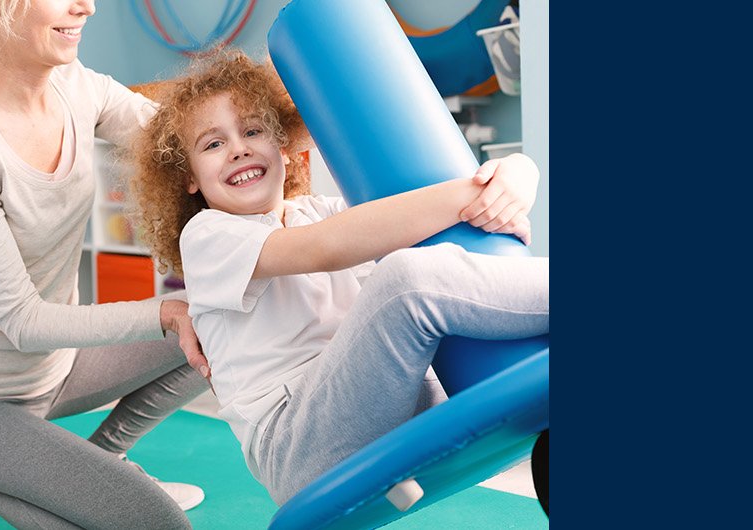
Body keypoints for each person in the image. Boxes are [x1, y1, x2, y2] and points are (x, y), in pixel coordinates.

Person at [127, 50, 549, 504]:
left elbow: (411, 221)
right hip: (297, 445)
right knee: (404, 282)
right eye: (213, 144)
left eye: (253, 130)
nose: (239, 148)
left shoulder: (319, 210)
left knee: (433, 253)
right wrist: (475, 195)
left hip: (390, 406)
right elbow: (326, 247)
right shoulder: (207, 236)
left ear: (285, 149)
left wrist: (518, 174)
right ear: (189, 177)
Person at [0, 1, 212, 528]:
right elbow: (23, 323)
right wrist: (167, 312)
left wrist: (270, 164)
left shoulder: (77, 85)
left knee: (226, 315)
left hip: (60, 371)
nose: (85, 5)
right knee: (157, 523)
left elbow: (174, 145)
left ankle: (107, 454)